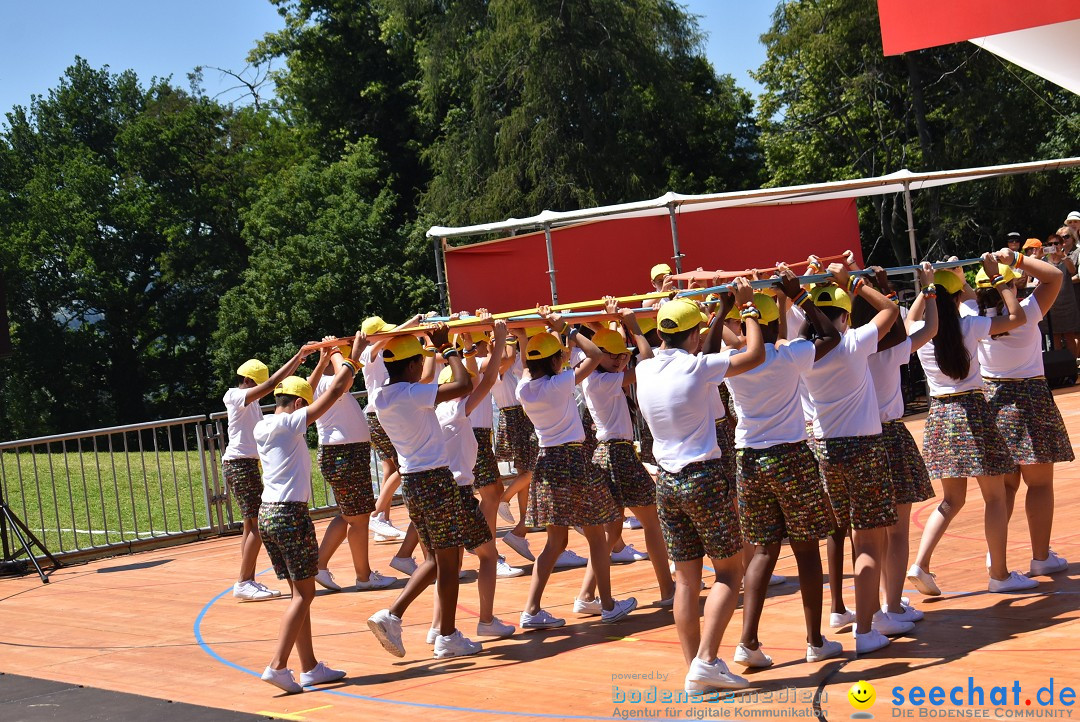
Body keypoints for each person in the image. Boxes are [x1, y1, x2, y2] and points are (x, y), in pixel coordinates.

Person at [635, 281, 765, 694]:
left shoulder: (643, 369)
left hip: (667, 483)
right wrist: (749, 310)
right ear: (693, 336)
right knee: (730, 571)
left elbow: (691, 352)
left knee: (687, 581)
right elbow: (755, 354)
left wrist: (722, 312)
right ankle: (707, 660)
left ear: (660, 334)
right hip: (703, 478)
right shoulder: (697, 366)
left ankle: (694, 666)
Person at [723, 270, 843, 668]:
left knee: (762, 551)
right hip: (790, 457)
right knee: (807, 549)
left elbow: (706, 348)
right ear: (776, 323)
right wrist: (800, 295)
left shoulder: (732, 362)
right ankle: (814, 640)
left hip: (749, 460)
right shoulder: (789, 355)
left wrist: (730, 308)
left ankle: (748, 641)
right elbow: (830, 336)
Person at [907, 254, 1036, 596]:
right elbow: (1016, 317)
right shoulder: (971, 325)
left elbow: (910, 319)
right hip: (971, 411)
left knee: (950, 500)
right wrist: (995, 277)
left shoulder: (922, 332)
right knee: (995, 497)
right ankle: (1000, 574)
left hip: (939, 415)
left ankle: (920, 563)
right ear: (954, 298)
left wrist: (927, 285)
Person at [366, 326, 490, 660]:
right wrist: (446, 347)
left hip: (414, 483)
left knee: (436, 559)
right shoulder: (411, 394)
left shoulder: (381, 395)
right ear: (409, 366)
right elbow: (465, 384)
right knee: (448, 564)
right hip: (435, 481)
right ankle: (446, 635)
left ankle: (392, 615)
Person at [801, 262, 906, 655]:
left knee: (843, 532)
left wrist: (799, 296)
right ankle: (865, 630)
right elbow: (891, 311)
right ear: (844, 317)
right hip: (863, 448)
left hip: (828, 450)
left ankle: (853, 617)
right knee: (868, 540)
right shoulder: (852, 342)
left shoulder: (804, 353)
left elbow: (796, 326)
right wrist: (856, 283)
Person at [517, 308, 638, 629]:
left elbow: (544, 362)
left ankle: (531, 609)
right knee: (598, 538)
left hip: (546, 463)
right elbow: (596, 354)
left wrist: (526, 336)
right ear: (556, 362)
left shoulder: (524, 388)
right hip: (572, 461)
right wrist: (567, 328)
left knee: (555, 543)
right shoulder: (559, 384)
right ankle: (608, 604)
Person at [255, 336, 362, 693]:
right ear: (299, 404)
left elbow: (310, 392)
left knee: (298, 594)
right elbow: (331, 396)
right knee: (304, 596)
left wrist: (320, 360)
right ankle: (278, 665)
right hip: (289, 515)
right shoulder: (289, 425)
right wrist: (354, 357)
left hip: (267, 514)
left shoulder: (264, 424)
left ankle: (310, 667)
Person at [973, 249, 1072, 576]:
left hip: (994, 401)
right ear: (1010, 286)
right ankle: (1040, 557)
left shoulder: (972, 316)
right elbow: (1055, 275)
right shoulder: (1027, 311)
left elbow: (956, 292)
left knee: (1005, 489)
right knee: (1040, 484)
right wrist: (1014, 258)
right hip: (1029, 399)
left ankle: (994, 556)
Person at [422, 318, 518, 646]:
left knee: (446, 563)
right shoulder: (456, 411)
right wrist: (501, 335)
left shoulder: (426, 412)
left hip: (435, 492)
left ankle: (437, 625)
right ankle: (487, 620)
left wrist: (461, 346)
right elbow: (489, 378)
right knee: (488, 556)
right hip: (459, 494)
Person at [575, 311, 675, 612]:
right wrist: (633, 328)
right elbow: (648, 363)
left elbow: (622, 353)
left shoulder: (597, 378)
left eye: (622, 355)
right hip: (616, 454)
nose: (621, 360)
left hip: (610, 453)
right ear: (597, 355)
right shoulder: (601, 381)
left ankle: (586, 596)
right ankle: (668, 589)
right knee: (652, 522)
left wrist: (612, 322)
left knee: (612, 532)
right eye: (613, 355)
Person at [856, 263, 938, 626]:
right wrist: (930, 288)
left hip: (854, 439)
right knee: (897, 531)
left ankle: (871, 606)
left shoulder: (841, 350)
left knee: (867, 534)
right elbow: (930, 327)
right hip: (888, 436)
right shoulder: (894, 348)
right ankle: (891, 607)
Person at [306, 340, 396, 593]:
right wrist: (335, 352)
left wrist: (327, 355)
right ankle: (363, 576)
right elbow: (343, 380)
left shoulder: (319, 381)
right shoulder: (329, 383)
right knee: (357, 519)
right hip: (343, 455)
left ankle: (320, 565)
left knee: (350, 515)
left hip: (346, 454)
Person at [222, 348, 310, 601]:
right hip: (240, 464)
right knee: (254, 526)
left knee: (251, 525)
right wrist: (298, 357)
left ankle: (246, 579)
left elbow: (272, 386)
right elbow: (273, 384)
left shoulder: (250, 403)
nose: (263, 390)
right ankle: (244, 580)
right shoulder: (235, 396)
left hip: (245, 464)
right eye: (257, 385)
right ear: (248, 381)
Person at [359, 315, 422, 576]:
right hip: (379, 412)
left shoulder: (384, 352)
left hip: (382, 411)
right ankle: (377, 515)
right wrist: (413, 322)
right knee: (398, 466)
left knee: (392, 465)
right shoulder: (369, 354)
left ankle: (382, 517)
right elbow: (383, 340)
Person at [459, 326, 524, 580]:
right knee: (489, 495)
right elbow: (506, 357)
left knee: (493, 493)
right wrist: (505, 334)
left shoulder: (475, 362)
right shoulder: (474, 362)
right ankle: (489, 553)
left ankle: (481, 545)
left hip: (478, 435)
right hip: (474, 435)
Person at [493, 328, 541, 563]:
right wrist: (508, 337)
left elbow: (521, 360)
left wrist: (522, 337)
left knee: (527, 473)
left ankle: (522, 528)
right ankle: (504, 497)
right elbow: (510, 357)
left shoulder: (508, 369)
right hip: (514, 418)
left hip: (522, 417)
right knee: (533, 470)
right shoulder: (495, 367)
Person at [1040, 236, 1080, 359]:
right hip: (1051, 304)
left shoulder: (1066, 259)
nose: (1053, 246)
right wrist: (1038, 256)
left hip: (1067, 303)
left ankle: (1073, 364)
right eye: (1050, 243)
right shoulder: (1043, 261)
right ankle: (1060, 366)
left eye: (1056, 243)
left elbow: (1072, 270)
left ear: (1061, 244)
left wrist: (1062, 255)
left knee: (1069, 335)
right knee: (1055, 336)